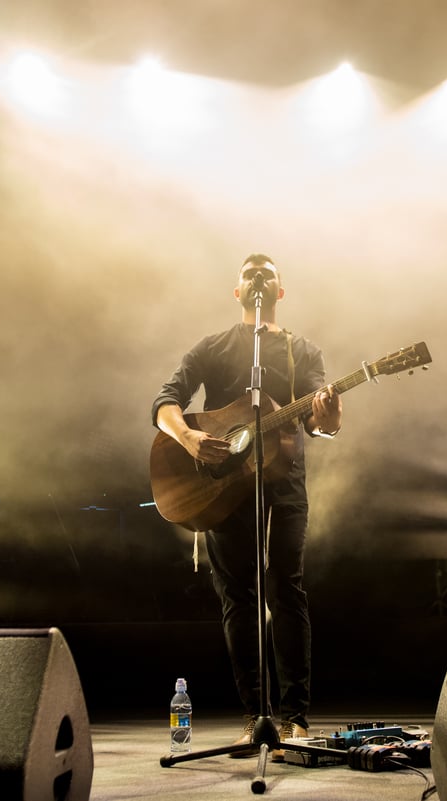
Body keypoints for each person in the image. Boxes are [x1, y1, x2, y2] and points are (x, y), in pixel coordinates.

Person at [151, 254, 342, 758]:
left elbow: (320, 426)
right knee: (237, 596)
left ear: (280, 292)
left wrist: (330, 415)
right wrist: (190, 438)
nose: (258, 275)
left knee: (286, 587)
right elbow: (165, 402)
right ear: (238, 292)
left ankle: (294, 718)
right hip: (225, 489)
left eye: (268, 272)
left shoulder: (303, 352)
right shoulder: (213, 348)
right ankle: (255, 717)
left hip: (286, 485)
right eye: (249, 272)